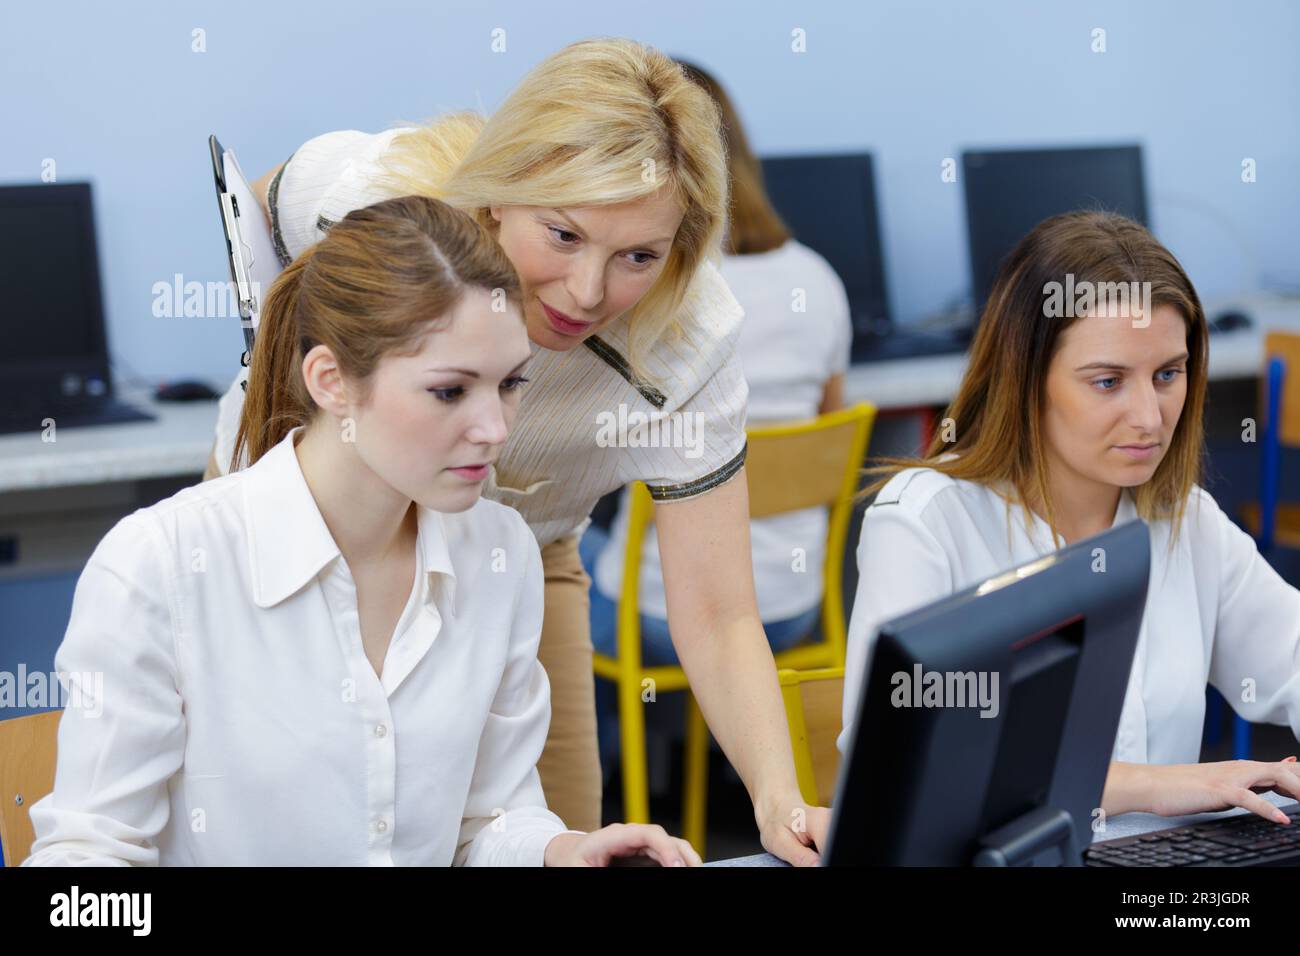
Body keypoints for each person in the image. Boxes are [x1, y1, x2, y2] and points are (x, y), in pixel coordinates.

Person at [201, 38, 827, 860]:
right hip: (305, 544)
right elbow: (256, 208)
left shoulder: (686, 347)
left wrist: (782, 804)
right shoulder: (382, 196)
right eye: (563, 235)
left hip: (517, 556)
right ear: (502, 192)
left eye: (638, 256)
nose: (588, 293)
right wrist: (294, 384)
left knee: (558, 836)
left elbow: (716, 611)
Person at [23, 196, 701, 866]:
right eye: (449, 392)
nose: (494, 429)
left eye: (510, 384)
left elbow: (487, 823)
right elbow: (83, 871)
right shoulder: (160, 565)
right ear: (331, 382)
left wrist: (562, 852)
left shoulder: (501, 553)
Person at [840, 210, 1300, 825]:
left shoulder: (1184, 519)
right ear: (1026, 378)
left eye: (1168, 374)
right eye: (1108, 381)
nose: (1149, 416)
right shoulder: (926, 524)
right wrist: (1150, 787)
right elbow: (900, 771)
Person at [581, 61, 852, 770]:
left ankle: (608, 777)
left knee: (557, 552)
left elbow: (603, 464)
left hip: (665, 624)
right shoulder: (819, 280)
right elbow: (829, 427)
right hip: (796, 606)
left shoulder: (663, 293)